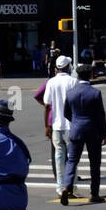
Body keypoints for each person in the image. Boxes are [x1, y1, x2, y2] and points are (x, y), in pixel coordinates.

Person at [61, 64, 106, 205]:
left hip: (76, 130)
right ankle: (94, 193)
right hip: (93, 131)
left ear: (78, 75)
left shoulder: (70, 93)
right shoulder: (95, 93)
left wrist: (75, 122)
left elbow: (66, 113)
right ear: (90, 75)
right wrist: (104, 133)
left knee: (72, 160)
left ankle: (66, 186)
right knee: (94, 163)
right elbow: (101, 116)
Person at [43, 56, 73, 198]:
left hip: (56, 125)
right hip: (71, 125)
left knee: (59, 157)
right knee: (72, 158)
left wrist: (47, 126)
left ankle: (60, 187)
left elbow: (47, 102)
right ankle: (71, 186)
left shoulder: (51, 82)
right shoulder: (73, 82)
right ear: (68, 67)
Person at [33, 77, 56, 183]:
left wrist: (46, 126)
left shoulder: (49, 82)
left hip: (53, 120)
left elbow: (37, 96)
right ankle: (70, 175)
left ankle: (58, 175)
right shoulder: (72, 80)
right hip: (69, 120)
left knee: (56, 150)